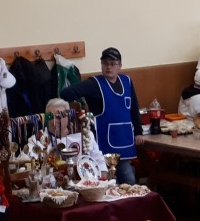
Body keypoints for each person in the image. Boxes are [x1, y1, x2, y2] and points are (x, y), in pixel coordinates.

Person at [59, 47, 143, 184]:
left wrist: (138, 132)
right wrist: (80, 108)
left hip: (124, 141)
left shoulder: (127, 81)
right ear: (101, 65)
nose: (109, 67)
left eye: (113, 63)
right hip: (104, 145)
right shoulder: (93, 83)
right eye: (105, 63)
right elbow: (66, 93)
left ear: (120, 65)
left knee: (129, 180)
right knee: (107, 182)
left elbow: (134, 108)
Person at [18, 98, 105, 166]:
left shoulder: (84, 134)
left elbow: (99, 160)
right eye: (50, 117)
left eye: (59, 116)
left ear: (68, 117)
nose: (54, 121)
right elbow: (23, 161)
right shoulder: (37, 139)